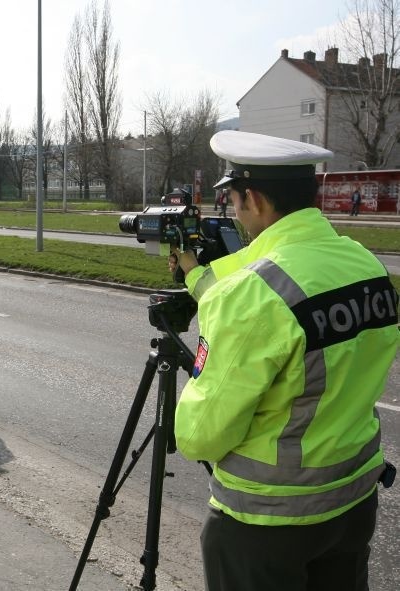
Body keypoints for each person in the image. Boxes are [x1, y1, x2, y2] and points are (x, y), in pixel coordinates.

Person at [169, 130, 398, 591]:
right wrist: (198, 277)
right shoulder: (366, 265)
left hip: (268, 520)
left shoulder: (251, 296)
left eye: (232, 200)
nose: (233, 211)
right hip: (353, 498)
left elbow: (198, 437)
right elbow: (286, 302)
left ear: (251, 198)